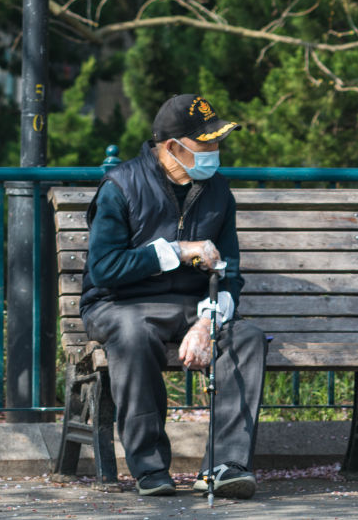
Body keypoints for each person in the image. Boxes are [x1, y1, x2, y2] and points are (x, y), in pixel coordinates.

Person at [80, 93, 266, 498]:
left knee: (246, 339)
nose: (215, 152)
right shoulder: (121, 186)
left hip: (188, 307)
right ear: (172, 147)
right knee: (133, 333)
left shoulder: (218, 192)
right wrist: (176, 250)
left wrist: (206, 322)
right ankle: (150, 469)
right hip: (117, 304)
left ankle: (223, 466)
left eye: (218, 142)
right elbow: (105, 269)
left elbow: (229, 274)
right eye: (206, 144)